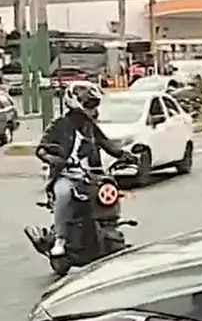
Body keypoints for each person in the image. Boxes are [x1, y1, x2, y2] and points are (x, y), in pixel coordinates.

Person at [35, 83, 135, 256]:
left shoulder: (90, 126)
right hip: (67, 175)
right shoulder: (59, 125)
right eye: (90, 104)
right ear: (75, 103)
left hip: (92, 175)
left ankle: (110, 227)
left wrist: (125, 155)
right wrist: (54, 158)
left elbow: (106, 143)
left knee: (109, 192)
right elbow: (41, 148)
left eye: (95, 104)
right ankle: (60, 238)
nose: (94, 109)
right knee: (63, 194)